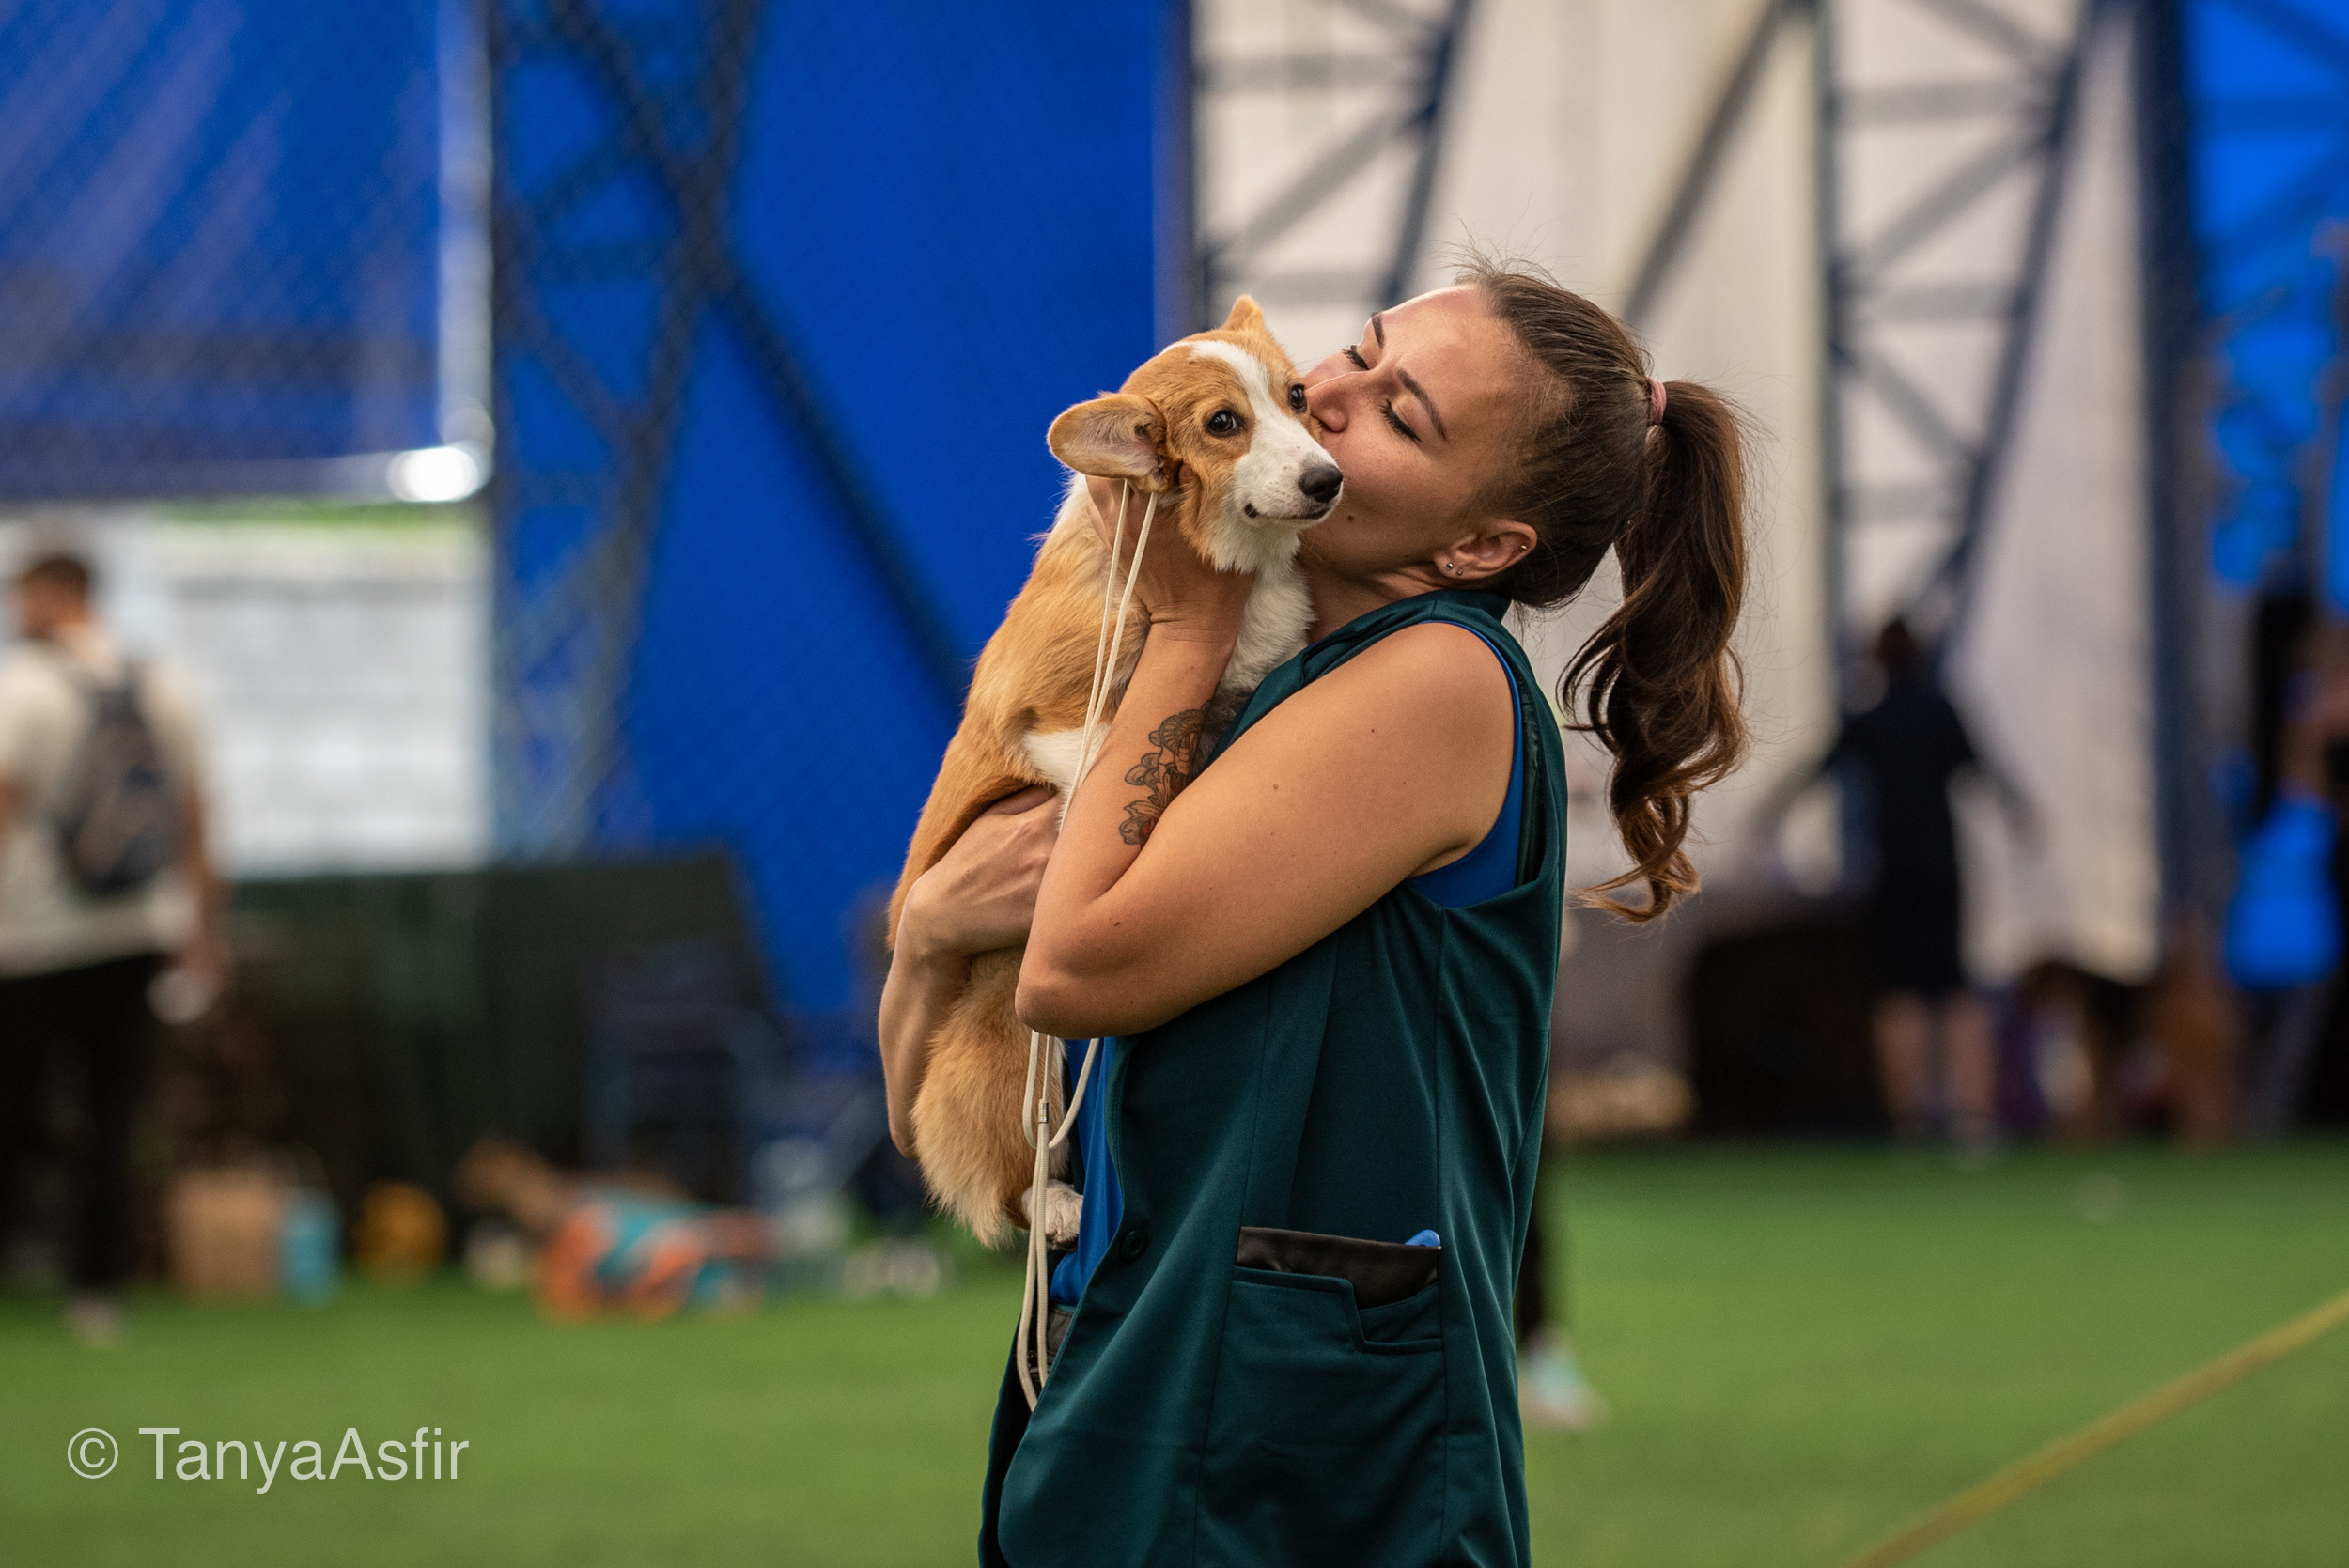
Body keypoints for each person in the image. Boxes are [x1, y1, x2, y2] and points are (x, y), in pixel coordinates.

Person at [881, 258, 1749, 1566]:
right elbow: (925, 1107)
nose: (1331, 397)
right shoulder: (1282, 684)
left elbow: (1070, 968)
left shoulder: (1442, 679)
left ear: (1480, 547)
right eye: (1361, 349)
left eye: (1405, 417)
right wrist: (930, 930)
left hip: (1291, 1462)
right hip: (1130, 1375)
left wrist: (1183, 615)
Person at [0, 551, 227, 1345]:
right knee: (114, 1115)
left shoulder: (22, 688)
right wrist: (204, 932)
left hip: (30, 937)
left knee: (14, 1106)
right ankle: (95, 1289)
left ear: (51, 593)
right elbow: (200, 819)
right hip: (138, 931)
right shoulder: (165, 684)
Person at [1806, 618, 2028, 1147]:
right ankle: (1972, 1119)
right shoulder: (1939, 714)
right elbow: (1987, 773)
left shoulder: (1871, 720)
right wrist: (2024, 815)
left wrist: (1766, 815)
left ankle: (1908, 1122)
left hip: (1893, 875)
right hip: (1942, 873)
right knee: (1954, 990)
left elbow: (1818, 769)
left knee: (1899, 995)